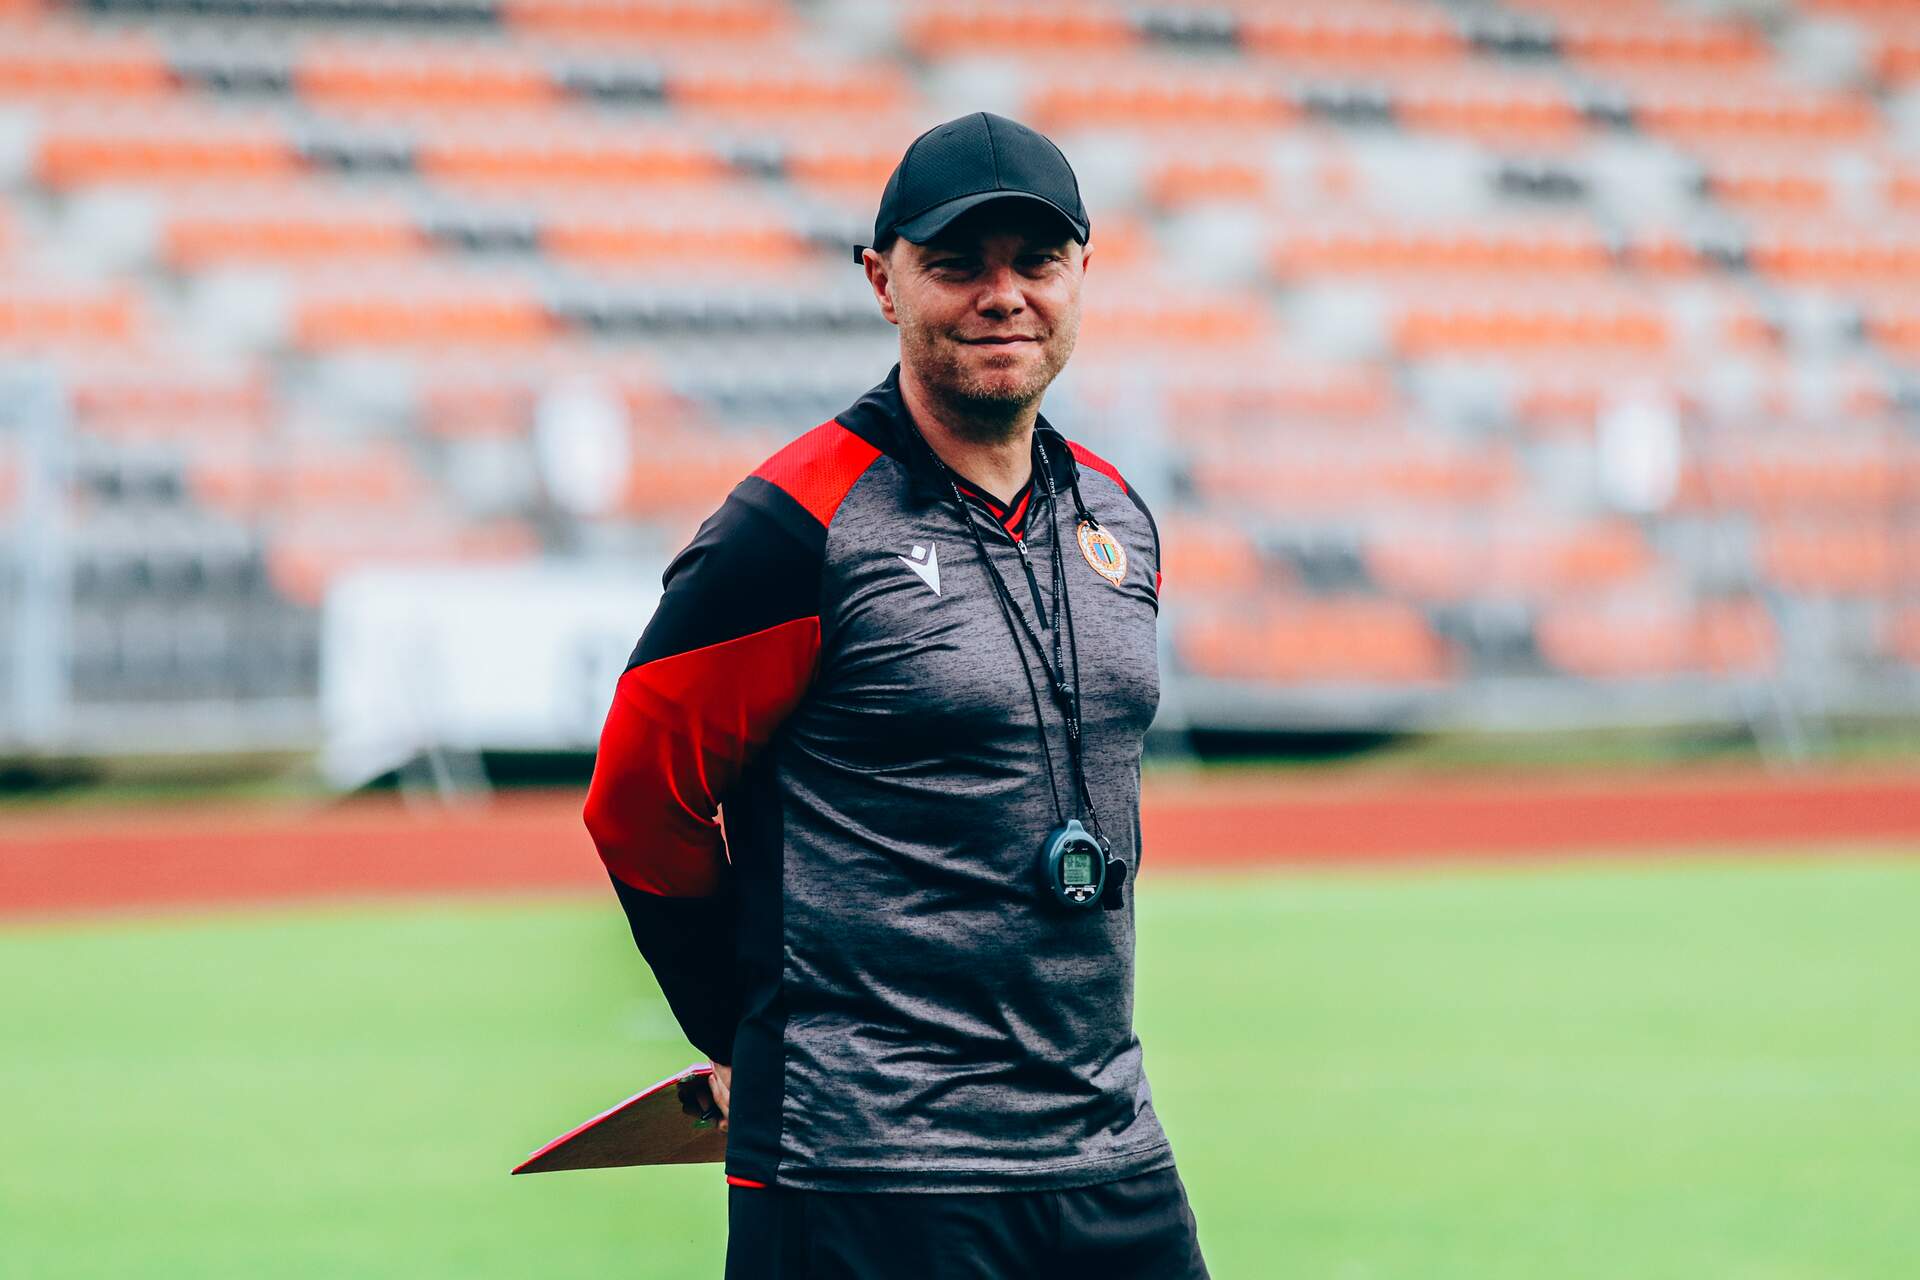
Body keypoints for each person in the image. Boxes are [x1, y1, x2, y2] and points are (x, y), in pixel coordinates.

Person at [583, 111, 1208, 1279]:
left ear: (1083, 271)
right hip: (863, 1165)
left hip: (1103, 1148)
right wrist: (736, 1026)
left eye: (1036, 260)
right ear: (883, 281)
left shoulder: (1117, 516)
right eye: (957, 263)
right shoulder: (790, 526)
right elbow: (636, 800)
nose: (1002, 295)